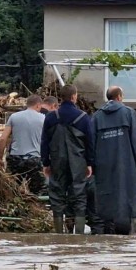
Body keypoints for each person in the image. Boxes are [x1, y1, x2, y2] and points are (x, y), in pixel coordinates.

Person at [92, 86, 136, 235]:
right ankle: (133, 233)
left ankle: (107, 235)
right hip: (127, 164)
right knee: (132, 196)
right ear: (119, 97)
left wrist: (92, 165)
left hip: (104, 166)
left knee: (106, 197)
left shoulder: (96, 117)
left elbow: (92, 144)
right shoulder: (129, 113)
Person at [41, 85, 94, 234]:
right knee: (79, 197)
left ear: (61, 97)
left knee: (57, 196)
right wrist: (90, 163)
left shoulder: (51, 117)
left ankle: (59, 234)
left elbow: (44, 141)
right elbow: (90, 142)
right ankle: (78, 236)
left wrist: (46, 162)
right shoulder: (83, 117)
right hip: (78, 162)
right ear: (73, 97)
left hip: (57, 162)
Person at [0, 94, 45, 195]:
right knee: (37, 193)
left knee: (11, 192)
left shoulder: (14, 117)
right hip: (34, 160)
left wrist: (0, 158)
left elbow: (3, 139)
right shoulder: (43, 119)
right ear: (37, 105)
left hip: (15, 160)